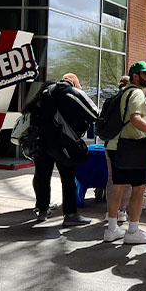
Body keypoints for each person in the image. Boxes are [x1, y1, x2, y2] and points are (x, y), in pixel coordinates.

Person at [32, 73, 98, 226]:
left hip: (42, 141)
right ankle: (70, 215)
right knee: (68, 180)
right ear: (74, 83)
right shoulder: (71, 92)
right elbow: (94, 113)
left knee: (42, 176)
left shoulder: (46, 91)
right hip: (63, 143)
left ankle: (42, 211)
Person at [104, 61, 146, 244]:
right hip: (132, 147)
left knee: (117, 187)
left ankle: (112, 229)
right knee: (139, 188)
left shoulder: (122, 93)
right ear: (135, 76)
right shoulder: (136, 93)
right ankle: (133, 231)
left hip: (114, 146)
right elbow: (136, 119)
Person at [104, 75, 133, 223]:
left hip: (110, 144)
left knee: (112, 180)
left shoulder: (111, 101)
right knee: (127, 182)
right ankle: (121, 210)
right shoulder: (132, 100)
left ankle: (111, 212)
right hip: (127, 145)